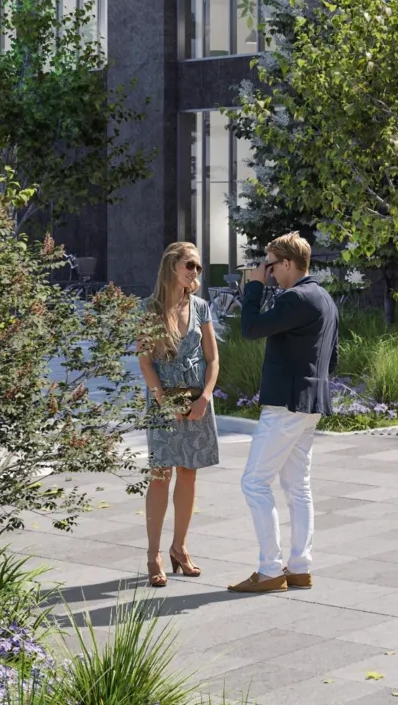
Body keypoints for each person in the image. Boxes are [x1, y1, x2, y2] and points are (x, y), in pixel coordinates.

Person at [231, 233, 338, 595]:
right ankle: (301, 567)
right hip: (309, 404)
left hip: (286, 406)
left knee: (254, 482)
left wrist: (254, 288)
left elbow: (250, 329)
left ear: (289, 263)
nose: (268, 272)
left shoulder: (296, 297)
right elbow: (332, 357)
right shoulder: (322, 297)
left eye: (272, 265)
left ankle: (270, 570)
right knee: (297, 487)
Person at [136, 242, 222, 588]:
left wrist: (205, 396)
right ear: (173, 266)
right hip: (163, 403)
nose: (196, 272)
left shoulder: (201, 307)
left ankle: (180, 548)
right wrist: (162, 400)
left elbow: (213, 359)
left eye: (198, 268)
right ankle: (153, 554)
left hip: (197, 402)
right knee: (160, 474)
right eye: (191, 265)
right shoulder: (149, 309)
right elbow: (144, 361)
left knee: (188, 473)